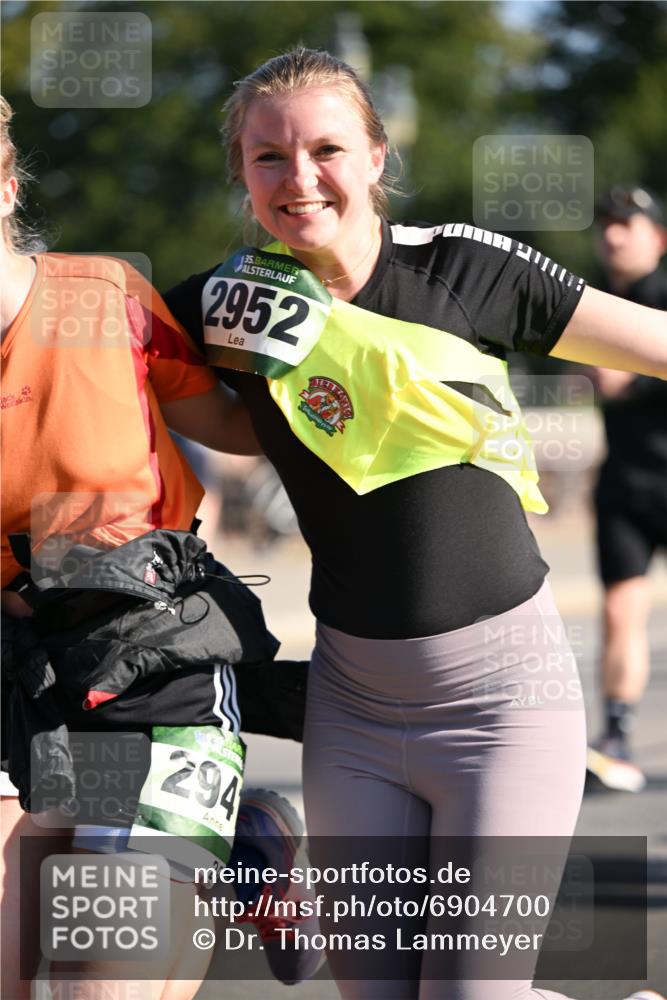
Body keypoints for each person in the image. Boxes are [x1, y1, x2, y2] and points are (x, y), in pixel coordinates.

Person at [163, 48, 667, 1000]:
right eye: (268, 156)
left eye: (326, 149)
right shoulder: (223, 302)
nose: (299, 177)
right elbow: (179, 401)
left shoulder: (462, 268)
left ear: (375, 155)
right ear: (240, 171)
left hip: (503, 708)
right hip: (351, 712)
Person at [0, 94, 320, 1000]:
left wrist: (329, 355)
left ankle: (227, 841)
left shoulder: (104, 299)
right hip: (13, 676)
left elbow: (242, 430)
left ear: (7, 186)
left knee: (98, 979)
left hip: (147, 659)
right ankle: (245, 843)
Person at [585, 186, 667, 793]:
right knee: (619, 609)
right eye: (606, 225)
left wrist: (628, 378)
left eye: (628, 224)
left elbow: (615, 382)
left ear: (658, 239)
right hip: (625, 483)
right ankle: (615, 739)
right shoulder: (591, 301)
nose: (613, 235)